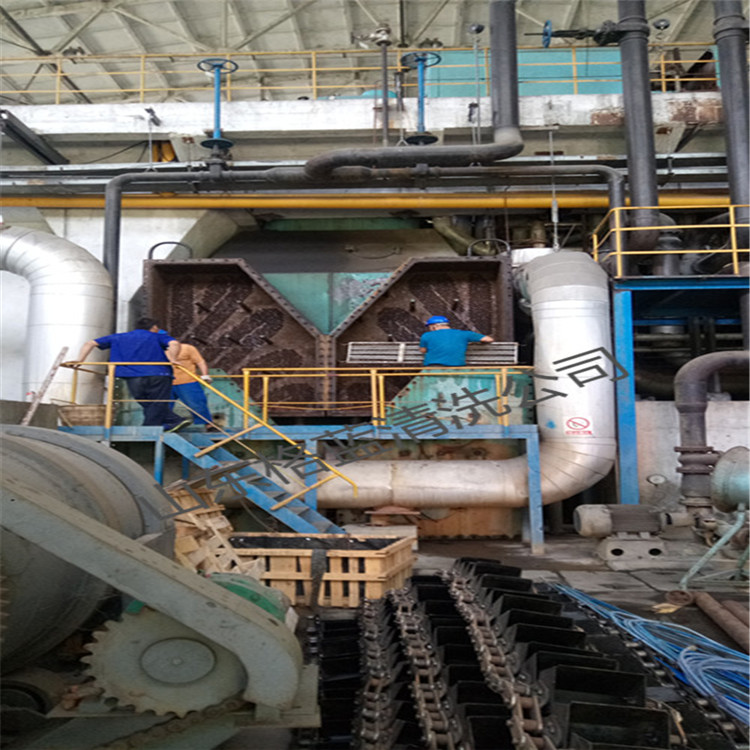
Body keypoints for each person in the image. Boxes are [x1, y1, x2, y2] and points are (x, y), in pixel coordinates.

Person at [76, 317, 192, 432]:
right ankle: (159, 426)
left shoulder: (119, 337)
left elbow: (90, 343)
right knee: (157, 402)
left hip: (132, 375)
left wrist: (80, 360)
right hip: (158, 373)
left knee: (146, 402)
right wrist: (173, 359)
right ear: (154, 327)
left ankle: (167, 422)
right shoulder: (157, 336)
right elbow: (174, 343)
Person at [169, 337, 214, 427]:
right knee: (162, 406)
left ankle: (207, 425)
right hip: (165, 383)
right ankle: (165, 425)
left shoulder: (187, 348)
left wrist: (205, 375)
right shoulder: (158, 350)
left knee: (197, 404)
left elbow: (200, 361)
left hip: (187, 381)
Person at [419, 315, 494, 367]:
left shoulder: (427, 335)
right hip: (457, 366)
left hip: (434, 366)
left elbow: (423, 350)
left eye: (429, 327)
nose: (430, 329)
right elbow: (488, 339)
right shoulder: (464, 333)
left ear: (434, 326)